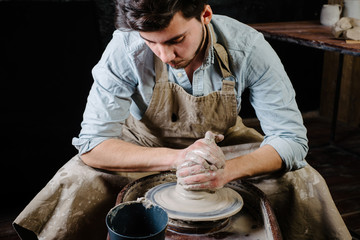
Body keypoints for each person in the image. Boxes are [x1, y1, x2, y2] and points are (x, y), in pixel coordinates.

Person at [14, 0, 351, 239]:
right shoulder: (124, 48)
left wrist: (225, 171)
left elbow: (291, 139)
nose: (166, 55)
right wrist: (178, 159)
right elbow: (93, 144)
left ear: (204, 14)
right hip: (143, 144)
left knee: (304, 182)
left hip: (223, 147)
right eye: (152, 43)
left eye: (176, 40)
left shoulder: (248, 47)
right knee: (76, 179)